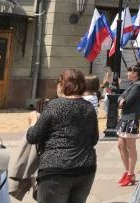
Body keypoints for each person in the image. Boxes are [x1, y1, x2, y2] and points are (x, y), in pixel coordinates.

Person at [26, 69, 98, 203]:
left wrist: (33, 121)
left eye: (58, 83)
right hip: (85, 169)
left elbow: (33, 137)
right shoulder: (89, 107)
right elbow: (94, 140)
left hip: (56, 170)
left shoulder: (54, 105)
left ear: (65, 85)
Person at [117, 64, 140, 186]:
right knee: (120, 145)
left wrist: (122, 101)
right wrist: (121, 99)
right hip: (124, 118)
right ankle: (127, 171)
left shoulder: (138, 86)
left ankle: (130, 173)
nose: (127, 73)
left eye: (129, 72)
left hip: (131, 119)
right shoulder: (132, 85)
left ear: (135, 73)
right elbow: (121, 97)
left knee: (130, 147)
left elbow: (126, 103)